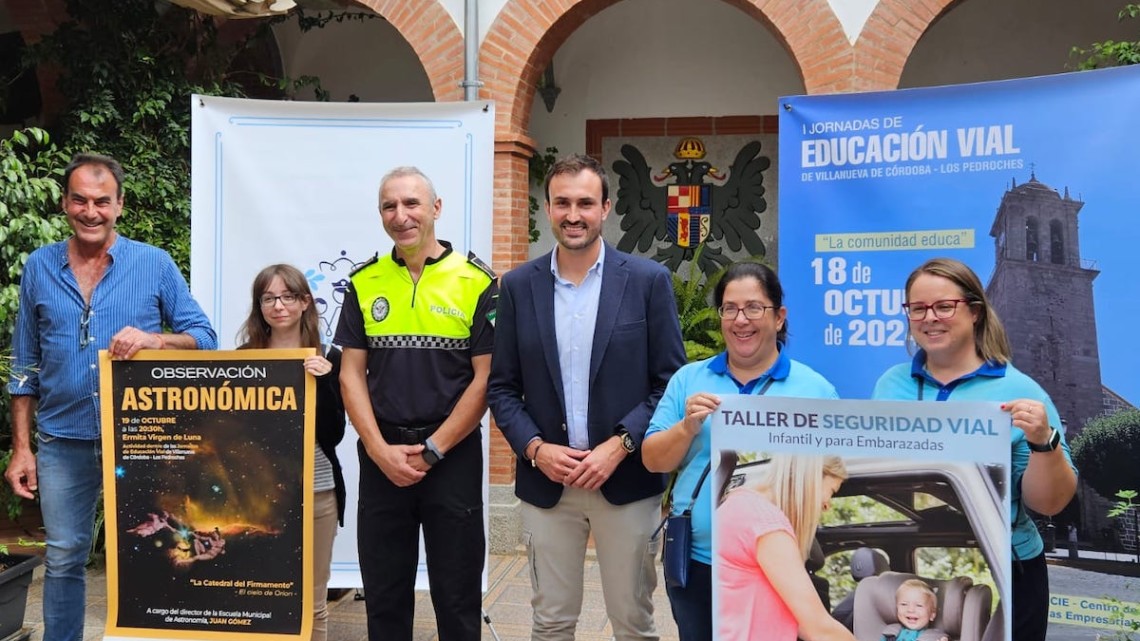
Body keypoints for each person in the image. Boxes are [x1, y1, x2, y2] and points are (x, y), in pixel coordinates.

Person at [4, 152, 217, 641]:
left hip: (140, 441)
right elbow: (24, 365)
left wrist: (156, 339)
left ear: (120, 205)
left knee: (158, 552)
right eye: (80, 199)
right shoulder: (39, 266)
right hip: (62, 440)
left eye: (102, 201)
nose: (91, 211)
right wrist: (22, 446)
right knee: (63, 556)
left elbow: (204, 335)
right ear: (64, 204)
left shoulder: (153, 263)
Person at [487, 153, 686, 641]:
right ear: (548, 208)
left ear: (605, 208)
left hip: (626, 479)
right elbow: (502, 387)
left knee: (633, 622)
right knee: (551, 622)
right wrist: (536, 449)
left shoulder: (646, 282)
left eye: (584, 203)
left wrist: (619, 445)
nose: (573, 214)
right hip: (548, 484)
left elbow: (670, 380)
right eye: (562, 203)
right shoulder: (515, 287)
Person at [872, 257, 1077, 641]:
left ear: (975, 312)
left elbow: (1049, 505)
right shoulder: (889, 385)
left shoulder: (1024, 392)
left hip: (1009, 570)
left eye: (944, 306)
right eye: (918, 308)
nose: (930, 317)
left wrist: (1043, 444)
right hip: (923, 560)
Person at [334, 166, 496, 641]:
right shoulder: (364, 282)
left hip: (452, 458)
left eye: (411, 204)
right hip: (382, 458)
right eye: (389, 206)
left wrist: (433, 450)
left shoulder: (477, 280)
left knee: (458, 595)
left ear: (436, 209)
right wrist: (379, 450)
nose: (400, 216)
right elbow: (350, 374)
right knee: (384, 596)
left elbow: (485, 381)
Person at [642, 261, 839, 641]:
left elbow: (834, 471)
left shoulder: (816, 391)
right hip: (696, 560)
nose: (740, 320)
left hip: (778, 566)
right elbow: (653, 460)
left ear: (779, 317)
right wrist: (686, 428)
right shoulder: (689, 379)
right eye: (729, 308)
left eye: (754, 308)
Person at [236, 263, 346, 641]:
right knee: (259, 595)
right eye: (268, 298)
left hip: (316, 493)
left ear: (304, 302)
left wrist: (326, 382)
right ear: (259, 306)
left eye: (287, 296)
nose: (278, 305)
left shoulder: (328, 356)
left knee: (312, 600)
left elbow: (335, 434)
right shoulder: (243, 358)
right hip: (257, 499)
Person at [716, 455, 855, 641]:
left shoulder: (739, 505)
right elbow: (818, 628)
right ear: (811, 479)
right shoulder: (765, 522)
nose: (827, 505)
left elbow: (802, 625)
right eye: (832, 490)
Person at [879, 579, 949, 641]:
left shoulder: (935, 637)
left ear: (932, 614)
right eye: (904, 604)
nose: (910, 610)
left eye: (919, 605)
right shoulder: (890, 633)